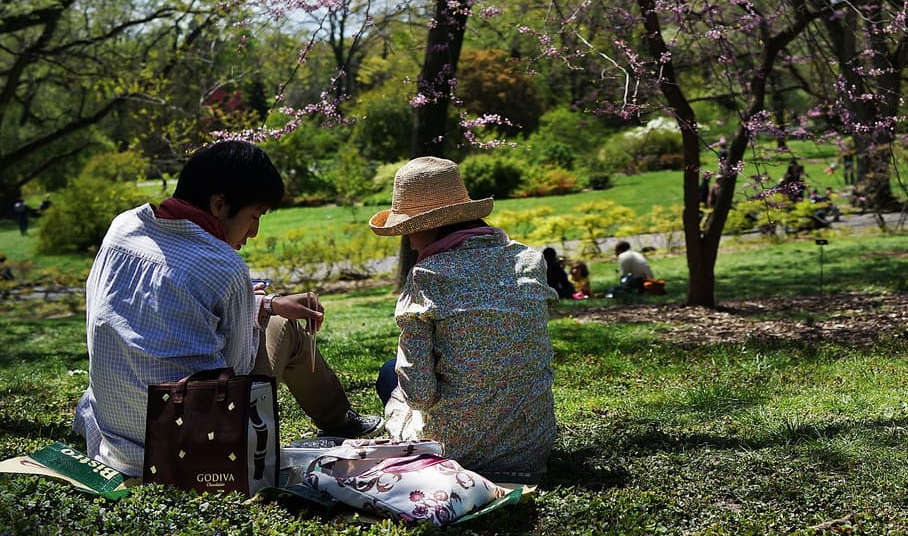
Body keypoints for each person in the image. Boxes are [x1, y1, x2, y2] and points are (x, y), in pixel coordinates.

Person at [74, 140, 381, 479]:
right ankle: (342, 422)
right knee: (286, 328)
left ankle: (342, 420)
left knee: (273, 317)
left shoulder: (122, 229)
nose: (254, 233)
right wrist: (263, 311)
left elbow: (160, 301)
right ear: (219, 204)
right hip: (194, 451)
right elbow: (238, 368)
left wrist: (267, 303)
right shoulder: (225, 265)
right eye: (255, 216)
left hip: (116, 445)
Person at [369, 157, 557, 484]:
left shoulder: (428, 276)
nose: (409, 242)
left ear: (427, 226)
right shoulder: (530, 261)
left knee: (389, 373)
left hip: (454, 452)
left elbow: (419, 395)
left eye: (408, 230)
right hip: (531, 448)